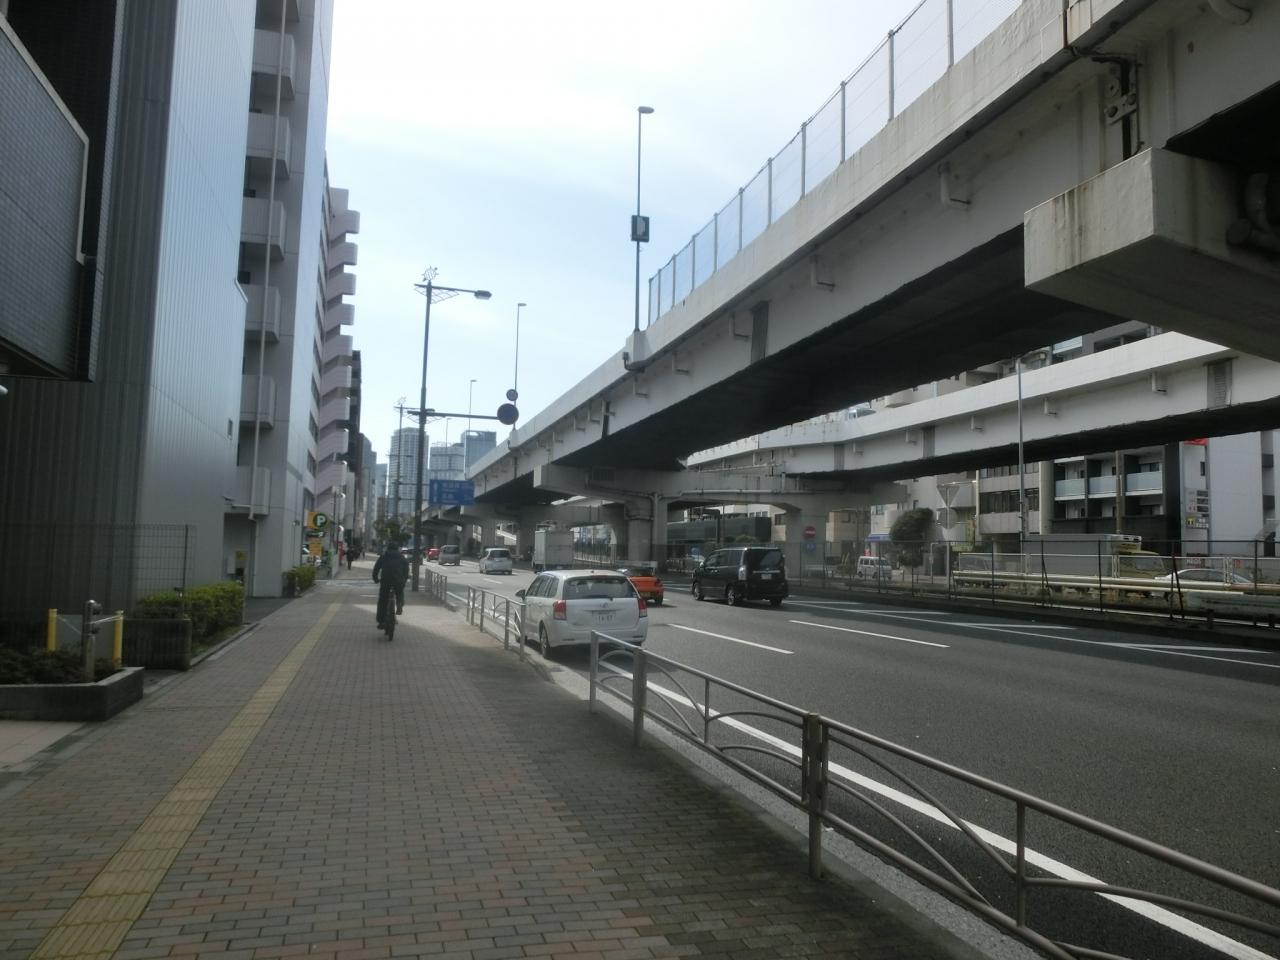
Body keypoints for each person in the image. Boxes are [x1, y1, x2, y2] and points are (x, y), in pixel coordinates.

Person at [372, 543, 409, 626]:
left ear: (388, 548)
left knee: (382, 601)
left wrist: (375, 579)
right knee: (399, 593)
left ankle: (381, 621)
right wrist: (404, 580)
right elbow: (406, 570)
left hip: (386, 581)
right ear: (397, 549)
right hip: (398, 581)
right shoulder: (402, 557)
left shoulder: (384, 556)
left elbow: (376, 568)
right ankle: (399, 603)